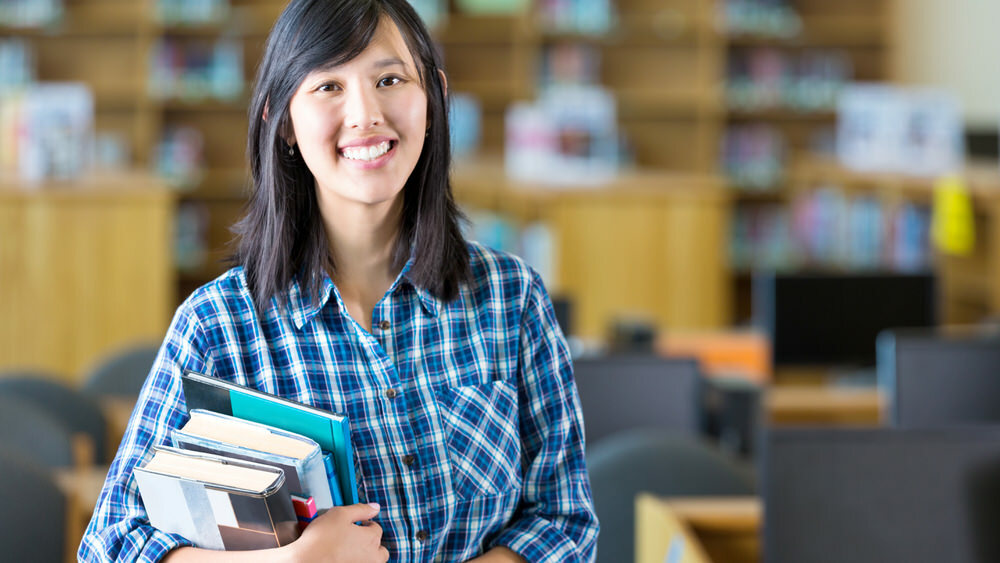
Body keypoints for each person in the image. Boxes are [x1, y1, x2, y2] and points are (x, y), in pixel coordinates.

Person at [79, 0, 598, 561]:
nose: (365, 113)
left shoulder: (511, 298)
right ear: (283, 124)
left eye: (390, 79)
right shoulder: (218, 326)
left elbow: (562, 522)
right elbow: (112, 545)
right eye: (329, 86)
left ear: (434, 102)